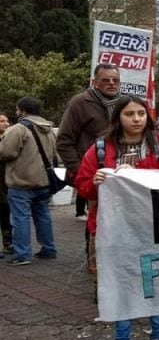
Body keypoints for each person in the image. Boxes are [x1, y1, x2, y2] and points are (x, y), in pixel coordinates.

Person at [74, 96, 159, 340]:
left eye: (141, 114)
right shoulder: (100, 149)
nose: (136, 119)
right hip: (112, 231)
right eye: (129, 114)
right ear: (118, 119)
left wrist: (136, 173)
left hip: (152, 227)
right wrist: (94, 181)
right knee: (120, 285)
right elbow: (83, 187)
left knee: (155, 282)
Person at [57, 64, 122, 276]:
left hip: (123, 176)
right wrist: (81, 173)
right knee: (97, 219)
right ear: (94, 82)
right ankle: (94, 264)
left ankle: (119, 262)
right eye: (106, 80)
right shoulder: (80, 103)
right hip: (95, 175)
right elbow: (64, 142)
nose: (112, 83)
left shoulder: (125, 103)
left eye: (115, 80)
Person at [0, 97, 57, 265]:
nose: (16, 112)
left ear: (22, 110)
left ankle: (23, 255)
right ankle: (48, 249)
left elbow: (5, 152)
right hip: (44, 180)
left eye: (17, 109)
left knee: (20, 218)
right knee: (43, 216)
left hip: (21, 181)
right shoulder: (48, 128)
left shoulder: (19, 129)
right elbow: (54, 154)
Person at [0, 112, 13, 254]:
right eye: (2, 121)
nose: (5, 123)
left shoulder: (9, 138)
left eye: (7, 121)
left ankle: (8, 242)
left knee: (5, 212)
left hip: (7, 181)